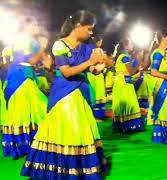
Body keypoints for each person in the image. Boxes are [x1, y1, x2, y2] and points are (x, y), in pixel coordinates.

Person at [21, 10, 111, 179]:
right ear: (77, 26)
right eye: (89, 29)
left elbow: (92, 70)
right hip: (64, 95)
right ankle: (60, 169)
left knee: (81, 132)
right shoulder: (59, 45)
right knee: (66, 131)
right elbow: (67, 72)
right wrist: (90, 63)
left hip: (81, 93)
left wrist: (99, 67)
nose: (91, 33)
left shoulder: (89, 47)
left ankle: (79, 169)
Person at [2, 18, 50, 159]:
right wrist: (42, 48)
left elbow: (45, 64)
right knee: (37, 108)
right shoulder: (27, 41)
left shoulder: (24, 41)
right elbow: (31, 61)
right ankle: (44, 140)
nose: (37, 27)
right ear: (27, 26)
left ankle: (24, 145)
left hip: (22, 77)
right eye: (35, 25)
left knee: (24, 111)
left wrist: (44, 55)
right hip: (21, 79)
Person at [112, 38, 145, 133]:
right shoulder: (124, 57)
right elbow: (131, 72)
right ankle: (129, 126)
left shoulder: (123, 56)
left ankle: (122, 126)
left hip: (122, 82)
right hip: (124, 83)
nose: (132, 46)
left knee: (125, 103)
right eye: (131, 44)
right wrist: (138, 60)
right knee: (129, 103)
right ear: (126, 46)